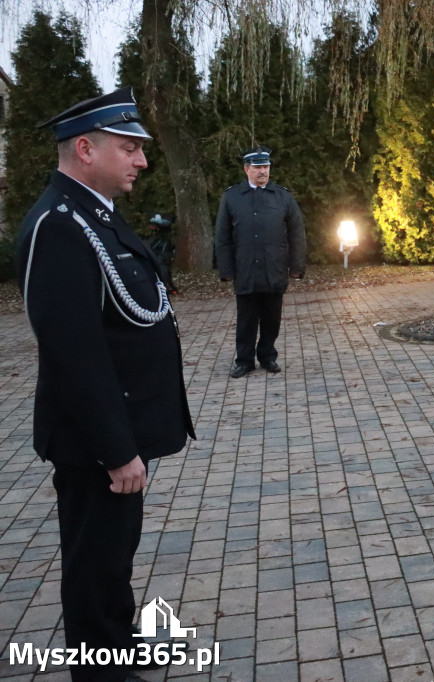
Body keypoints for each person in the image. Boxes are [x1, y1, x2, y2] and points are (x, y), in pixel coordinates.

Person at [15, 87, 195, 682]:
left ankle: (116, 644)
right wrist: (116, 451)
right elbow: (73, 353)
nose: (142, 160)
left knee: (115, 554)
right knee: (94, 562)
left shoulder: (93, 213)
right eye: (129, 148)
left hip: (118, 429)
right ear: (85, 150)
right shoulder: (59, 224)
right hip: (95, 442)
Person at [216, 146, 307, 378]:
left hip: (274, 268)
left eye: (265, 166)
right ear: (246, 169)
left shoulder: (283, 197)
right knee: (246, 319)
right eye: (257, 167)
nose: (262, 171)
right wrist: (226, 270)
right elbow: (222, 236)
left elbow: (297, 233)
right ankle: (244, 360)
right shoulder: (232, 197)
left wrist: (296, 267)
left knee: (271, 319)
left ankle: (267, 357)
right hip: (245, 269)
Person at [145, 213, 177, 294]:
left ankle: (166, 286)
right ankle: (166, 286)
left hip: (163, 257)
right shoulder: (157, 237)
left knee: (163, 268)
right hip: (159, 255)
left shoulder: (165, 237)